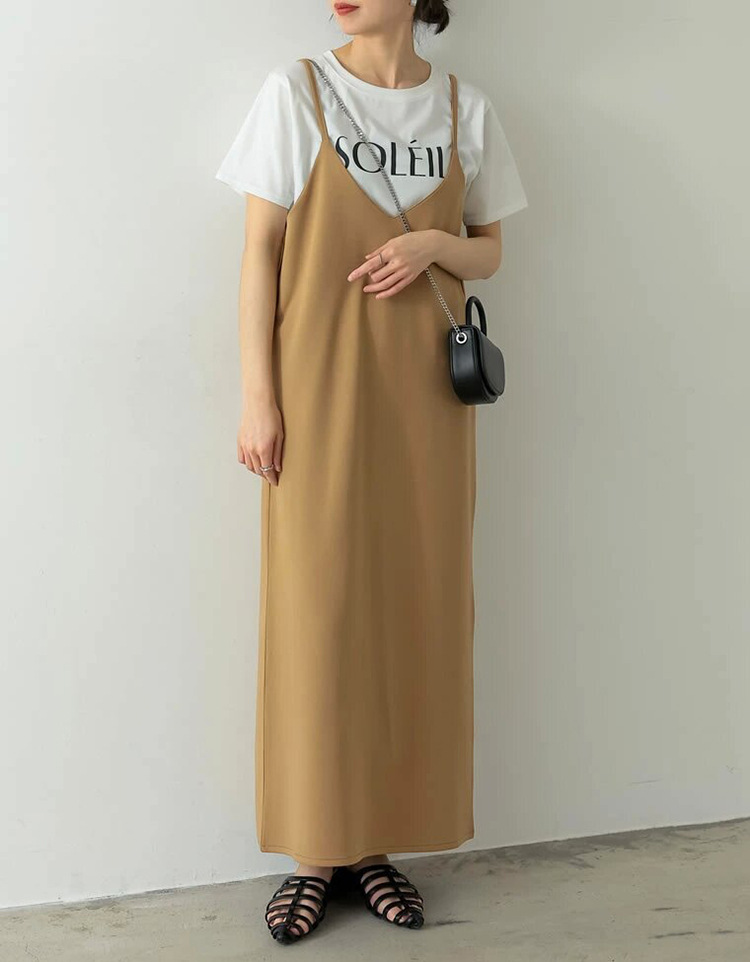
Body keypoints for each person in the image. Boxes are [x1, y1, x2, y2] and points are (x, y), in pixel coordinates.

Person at [215, 0, 528, 945]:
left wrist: (434, 244)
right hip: (315, 392)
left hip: (427, 403)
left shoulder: (466, 108)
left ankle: (373, 845)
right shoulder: (297, 92)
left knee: (411, 610)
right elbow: (259, 254)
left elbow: (490, 251)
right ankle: (315, 852)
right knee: (318, 612)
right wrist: (259, 399)